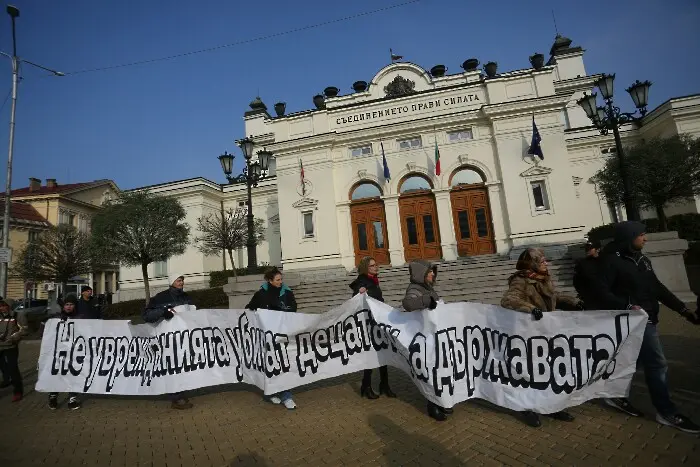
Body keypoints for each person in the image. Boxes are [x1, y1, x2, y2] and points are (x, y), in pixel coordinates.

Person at [598, 221, 700, 434]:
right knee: (658, 364)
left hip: (649, 316)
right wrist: (626, 306)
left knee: (633, 362)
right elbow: (602, 293)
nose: (645, 238)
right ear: (629, 237)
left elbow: (657, 288)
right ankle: (666, 411)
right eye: (642, 235)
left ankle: (613, 395)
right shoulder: (610, 261)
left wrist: (683, 310)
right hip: (634, 320)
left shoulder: (642, 260)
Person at [501, 248, 583, 428]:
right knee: (530, 372)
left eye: (545, 260)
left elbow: (554, 297)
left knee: (551, 371)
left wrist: (573, 303)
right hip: (528, 335)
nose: (546, 263)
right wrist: (530, 309)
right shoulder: (521, 280)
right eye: (542, 261)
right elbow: (509, 300)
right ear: (533, 264)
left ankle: (552, 406)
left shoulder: (544, 278)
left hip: (547, 333)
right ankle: (528, 407)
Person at [402, 260, 452, 421]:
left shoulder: (427, 288)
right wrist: (426, 301)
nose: (433, 274)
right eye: (429, 272)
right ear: (421, 274)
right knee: (432, 373)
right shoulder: (414, 289)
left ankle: (443, 401)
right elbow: (408, 304)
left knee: (442, 371)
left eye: (433, 272)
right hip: (426, 340)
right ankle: (433, 405)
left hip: (436, 337)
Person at [246, 267, 298, 410]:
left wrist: (284, 311)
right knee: (270, 364)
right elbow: (250, 308)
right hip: (266, 336)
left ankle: (286, 396)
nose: (281, 282)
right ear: (270, 280)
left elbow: (294, 308)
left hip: (282, 333)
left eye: (281, 279)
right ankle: (271, 392)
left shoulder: (287, 292)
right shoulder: (261, 294)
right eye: (277, 280)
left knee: (282, 364)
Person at [143, 273, 194, 410]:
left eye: (182, 280)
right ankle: (175, 397)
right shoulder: (160, 297)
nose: (181, 282)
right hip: (168, 339)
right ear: (172, 281)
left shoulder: (186, 297)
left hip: (184, 338)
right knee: (172, 366)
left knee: (183, 365)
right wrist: (162, 312)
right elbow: (147, 316)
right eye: (178, 280)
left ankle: (181, 392)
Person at [350, 256, 396, 400]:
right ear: (365, 268)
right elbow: (356, 300)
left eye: (376, 265)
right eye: (372, 266)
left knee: (383, 353)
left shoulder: (373, 282)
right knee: (371, 355)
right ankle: (366, 385)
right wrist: (360, 292)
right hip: (368, 325)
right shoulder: (362, 283)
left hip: (378, 323)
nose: (376, 267)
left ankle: (384, 384)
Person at [48, 294, 89, 410]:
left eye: (71, 305)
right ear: (63, 306)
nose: (69, 307)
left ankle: (72, 399)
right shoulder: (56, 317)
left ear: (75, 306)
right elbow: (46, 333)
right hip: (58, 352)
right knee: (57, 374)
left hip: (75, 352)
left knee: (73, 374)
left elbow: (87, 332)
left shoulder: (81, 317)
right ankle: (53, 396)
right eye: (67, 304)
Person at [0, 299, 27, 402]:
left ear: (9, 306)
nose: (1, 308)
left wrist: (13, 338)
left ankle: (18, 391)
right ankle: (6, 380)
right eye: (0, 306)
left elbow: (24, 330)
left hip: (10, 346)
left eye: (3, 306)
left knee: (13, 368)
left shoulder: (17, 316)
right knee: (3, 367)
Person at [573, 239, 603, 310]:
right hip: (591, 300)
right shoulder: (582, 264)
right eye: (586, 248)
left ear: (598, 249)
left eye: (590, 248)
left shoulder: (606, 261)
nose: (587, 250)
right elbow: (577, 282)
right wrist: (584, 295)